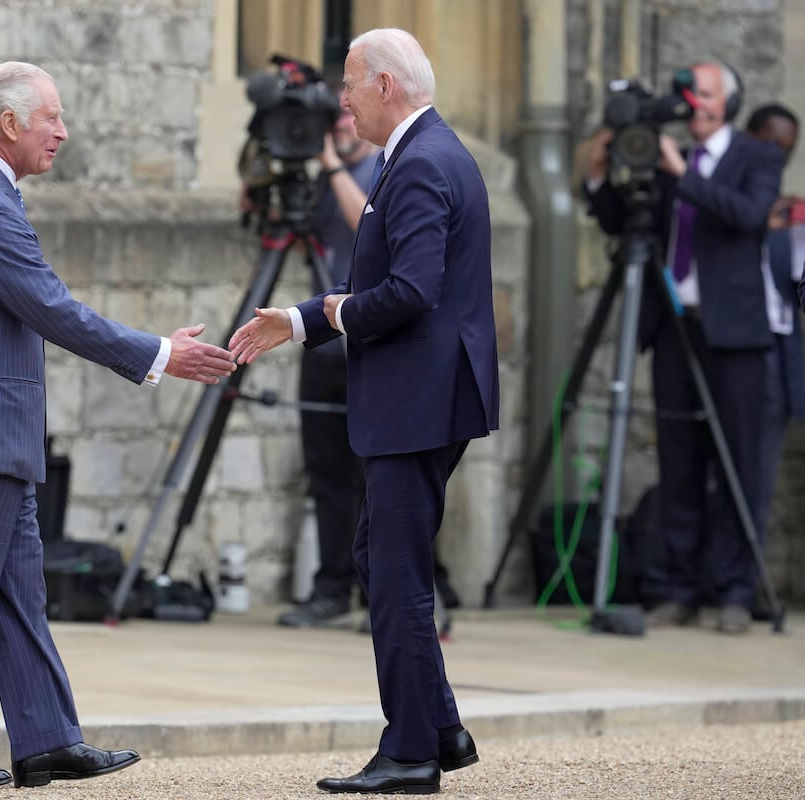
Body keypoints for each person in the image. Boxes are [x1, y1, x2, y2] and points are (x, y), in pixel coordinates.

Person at [0, 61, 236, 790]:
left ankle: (45, 739)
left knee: (18, 594)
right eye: (53, 118)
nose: (63, 132)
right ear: (10, 124)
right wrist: (161, 353)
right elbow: (52, 308)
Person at [230, 29, 498, 795]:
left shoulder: (419, 164)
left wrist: (322, 314)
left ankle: (410, 750)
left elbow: (411, 292)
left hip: (418, 395)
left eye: (349, 85)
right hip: (426, 392)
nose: (340, 102)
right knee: (379, 556)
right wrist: (306, 318)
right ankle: (438, 725)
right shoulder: (426, 153)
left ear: (385, 85)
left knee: (395, 570)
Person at [583, 61, 785, 634]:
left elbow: (747, 217)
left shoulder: (757, 157)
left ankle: (733, 591)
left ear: (728, 102)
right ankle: (675, 585)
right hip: (675, 325)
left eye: (705, 92)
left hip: (737, 332)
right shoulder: (666, 155)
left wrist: (683, 173)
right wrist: (599, 177)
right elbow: (624, 223)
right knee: (679, 461)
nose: (693, 101)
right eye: (689, 92)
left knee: (737, 463)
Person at [276, 108, 378, 629]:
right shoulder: (322, 176)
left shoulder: (386, 165)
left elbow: (369, 226)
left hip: (371, 335)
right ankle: (331, 585)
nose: (336, 132)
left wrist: (333, 166)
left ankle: (383, 593)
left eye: (343, 122)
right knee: (327, 470)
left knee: (375, 473)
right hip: (323, 333)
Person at [745, 104, 805, 577]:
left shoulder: (790, 220)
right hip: (729, 346)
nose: (777, 159)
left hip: (777, 357)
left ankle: (745, 586)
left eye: (787, 151)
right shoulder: (734, 205)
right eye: (770, 146)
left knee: (760, 480)